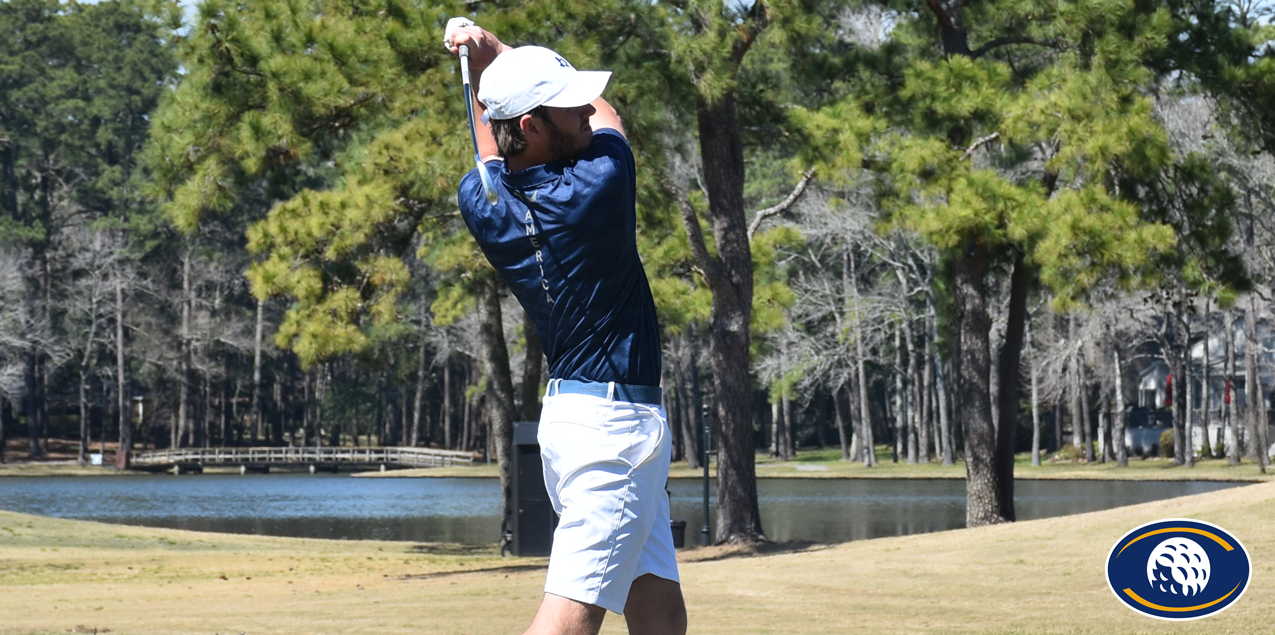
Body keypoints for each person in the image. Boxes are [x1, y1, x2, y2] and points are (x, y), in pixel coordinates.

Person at [445, 21, 688, 635]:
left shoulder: (484, 199)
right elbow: (610, 120)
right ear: (530, 125)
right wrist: (495, 52)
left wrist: (482, 70)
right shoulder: (596, 186)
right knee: (569, 618)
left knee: (657, 600)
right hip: (614, 431)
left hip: (580, 421)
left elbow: (487, 144)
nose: (583, 108)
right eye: (565, 103)